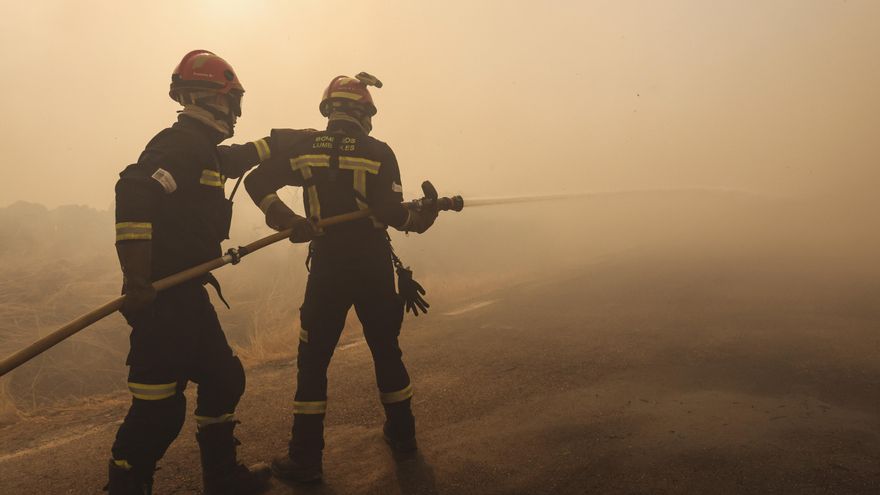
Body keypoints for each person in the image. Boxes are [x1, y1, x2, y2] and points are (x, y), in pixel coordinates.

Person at [244, 73, 438, 483]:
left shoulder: (306, 148)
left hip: (329, 267)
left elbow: (256, 180)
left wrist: (286, 219)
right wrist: (423, 218)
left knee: (313, 362)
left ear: (328, 110)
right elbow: (389, 212)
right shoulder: (379, 151)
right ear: (365, 112)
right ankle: (403, 440)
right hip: (371, 266)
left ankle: (306, 459)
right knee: (386, 350)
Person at [108, 50, 277, 495]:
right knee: (158, 412)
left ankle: (221, 478)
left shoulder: (202, 149)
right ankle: (125, 487)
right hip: (163, 303)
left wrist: (283, 142)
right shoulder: (180, 144)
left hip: (188, 297)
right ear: (215, 99)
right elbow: (134, 191)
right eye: (234, 101)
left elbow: (234, 160)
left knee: (224, 379)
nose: (237, 112)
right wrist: (138, 280)